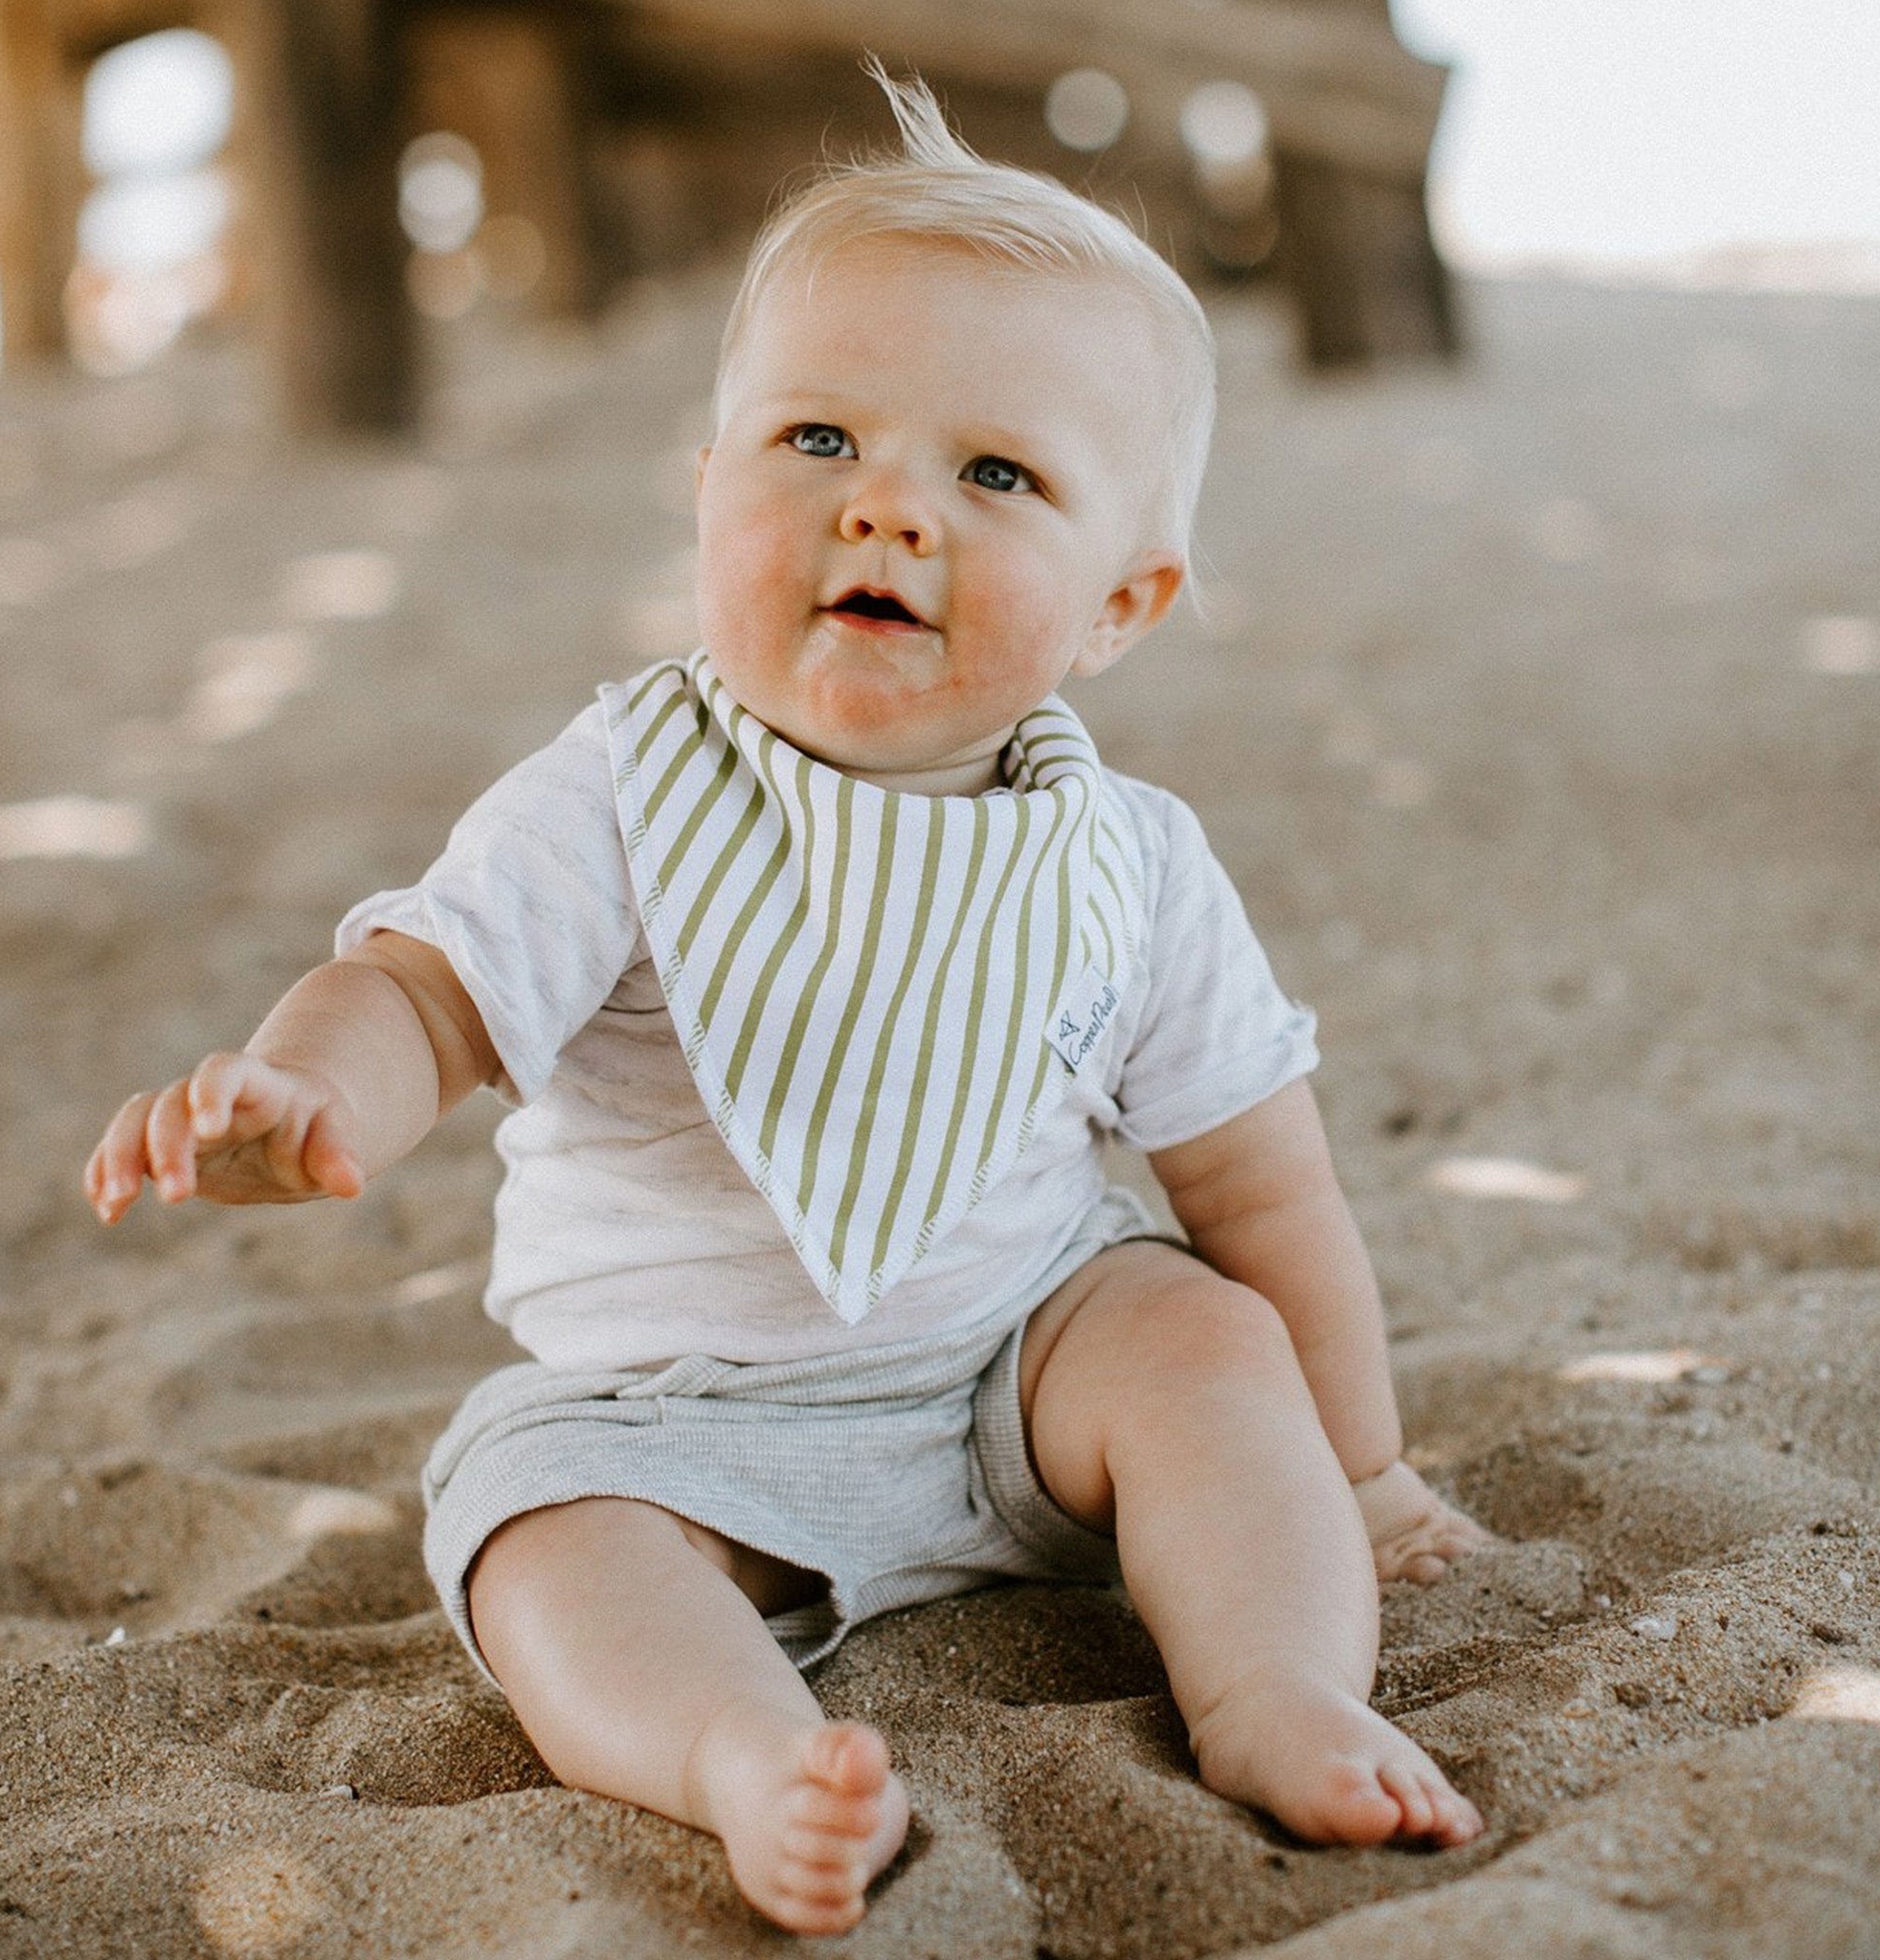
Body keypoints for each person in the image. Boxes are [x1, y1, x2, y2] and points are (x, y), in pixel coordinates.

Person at [85, 70, 1489, 1937]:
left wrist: (1361, 1468)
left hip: (1021, 1364)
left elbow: (1260, 1187)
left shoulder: (1127, 861)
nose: (887, 509)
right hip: (671, 1415)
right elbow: (420, 992)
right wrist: (306, 1094)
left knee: (1208, 1339)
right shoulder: (621, 794)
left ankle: (1275, 1688)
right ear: (706, 492)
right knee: (531, 1529)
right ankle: (741, 1752)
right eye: (820, 438)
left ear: (1120, 604)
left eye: (996, 475)